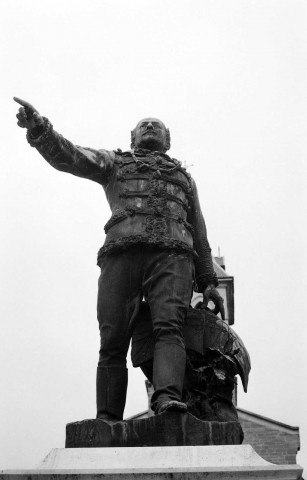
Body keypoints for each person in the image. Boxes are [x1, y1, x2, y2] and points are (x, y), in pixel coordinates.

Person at [14, 97, 224, 421]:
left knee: (170, 328)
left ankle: (168, 399)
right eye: (143, 124)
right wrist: (41, 130)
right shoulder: (115, 163)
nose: (149, 126)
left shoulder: (184, 178)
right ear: (132, 136)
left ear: (168, 140)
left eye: (156, 125)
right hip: (121, 254)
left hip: (173, 257)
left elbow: (199, 231)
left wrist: (208, 280)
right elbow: (72, 157)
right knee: (112, 338)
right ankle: (108, 417)